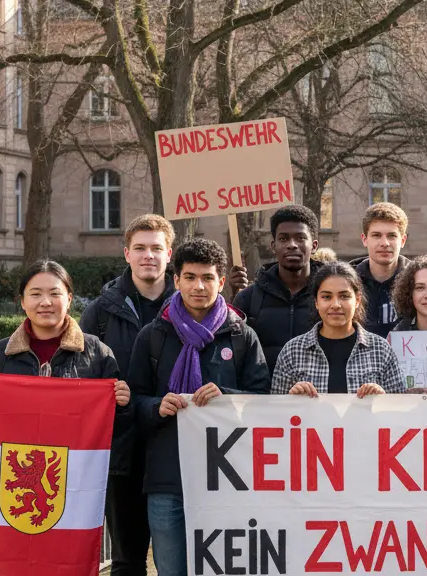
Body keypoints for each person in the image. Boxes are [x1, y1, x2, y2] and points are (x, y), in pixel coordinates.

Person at [129, 238, 271, 576]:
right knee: (172, 569)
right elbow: (131, 401)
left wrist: (227, 397)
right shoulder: (153, 336)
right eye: (190, 277)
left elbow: (264, 398)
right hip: (168, 478)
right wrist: (155, 406)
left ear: (221, 282)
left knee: (225, 569)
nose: (199, 286)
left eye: (207, 278)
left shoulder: (241, 335)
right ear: (175, 280)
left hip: (228, 480)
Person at [78, 214, 174, 576]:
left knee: (180, 556)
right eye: (140, 248)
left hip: (178, 448)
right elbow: (80, 372)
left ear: (169, 253)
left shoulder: (192, 304)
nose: (148, 255)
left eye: (155, 248)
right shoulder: (100, 312)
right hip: (122, 451)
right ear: (126, 254)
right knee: (127, 560)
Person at [0, 260, 130, 431]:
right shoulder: (0, 355)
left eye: (55, 293)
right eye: (35, 294)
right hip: (17, 462)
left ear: (69, 299)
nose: (45, 302)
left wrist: (123, 405)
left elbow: (112, 430)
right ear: (23, 302)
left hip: (75, 464)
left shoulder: (97, 353)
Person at [272, 262, 405, 396]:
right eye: (326, 297)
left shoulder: (381, 350)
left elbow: (399, 408)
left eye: (344, 296)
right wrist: (291, 399)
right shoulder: (292, 352)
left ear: (357, 300)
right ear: (316, 302)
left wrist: (383, 399)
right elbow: (275, 410)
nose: (335, 305)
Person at [231, 205, 322, 373]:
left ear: (314, 245)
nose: (292, 245)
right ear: (273, 246)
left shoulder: (330, 297)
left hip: (317, 396)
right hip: (263, 396)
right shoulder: (248, 298)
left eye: (300, 238)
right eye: (283, 239)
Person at [351, 202, 409, 337]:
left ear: (403, 240)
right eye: (376, 235)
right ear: (365, 239)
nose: (384, 243)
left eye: (392, 236)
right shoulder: (348, 281)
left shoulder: (418, 280)